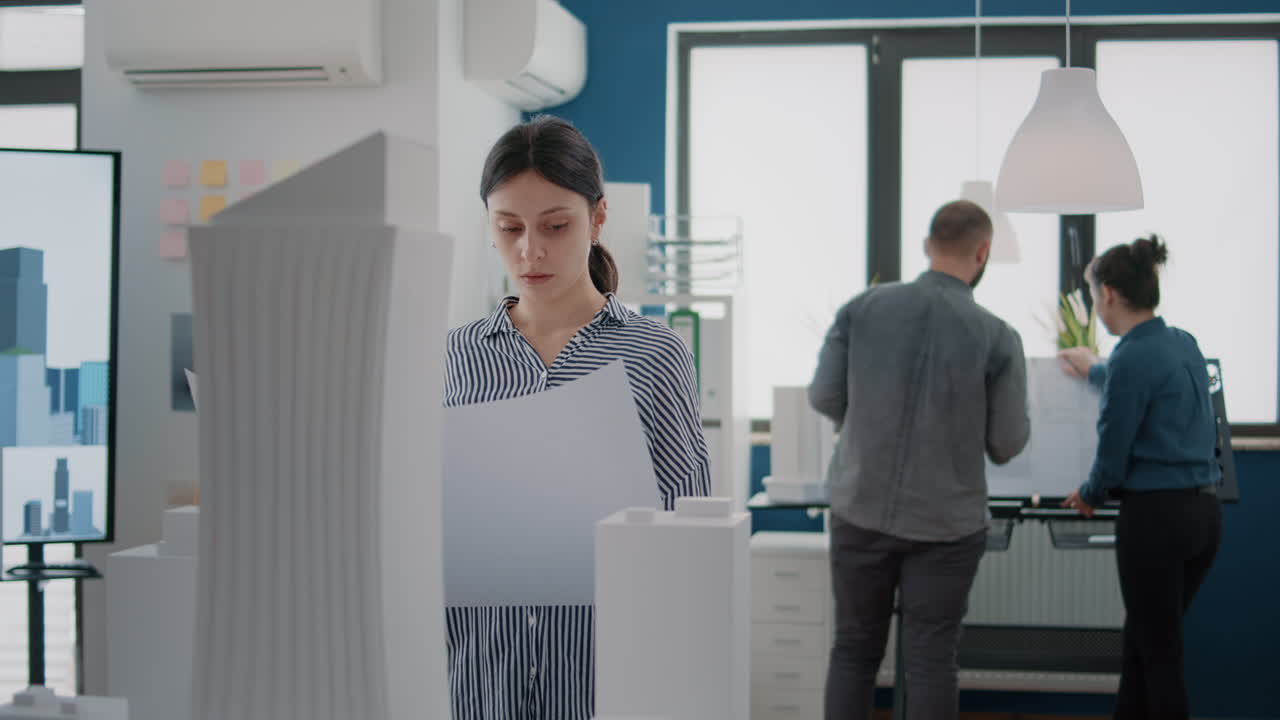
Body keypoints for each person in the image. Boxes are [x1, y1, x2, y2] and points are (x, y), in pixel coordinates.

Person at [442, 115, 711, 720]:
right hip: (482, 671)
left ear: (597, 217)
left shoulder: (654, 352)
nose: (528, 251)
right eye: (508, 227)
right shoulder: (456, 355)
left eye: (555, 226)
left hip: (605, 667)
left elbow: (689, 515)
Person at [808, 199, 1030, 720]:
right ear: (983, 252)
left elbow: (823, 396)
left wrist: (865, 420)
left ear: (928, 246)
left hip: (860, 510)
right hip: (947, 526)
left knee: (854, 652)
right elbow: (1006, 443)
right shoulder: (998, 336)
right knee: (931, 661)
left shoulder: (862, 309)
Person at [1058, 235, 1222, 720]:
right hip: (1204, 517)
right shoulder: (1182, 343)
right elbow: (1150, 384)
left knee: (1159, 655)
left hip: (1156, 522)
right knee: (1144, 642)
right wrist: (1096, 371)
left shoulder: (1129, 357)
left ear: (1107, 293)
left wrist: (1089, 495)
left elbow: (1113, 452)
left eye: (1093, 298)